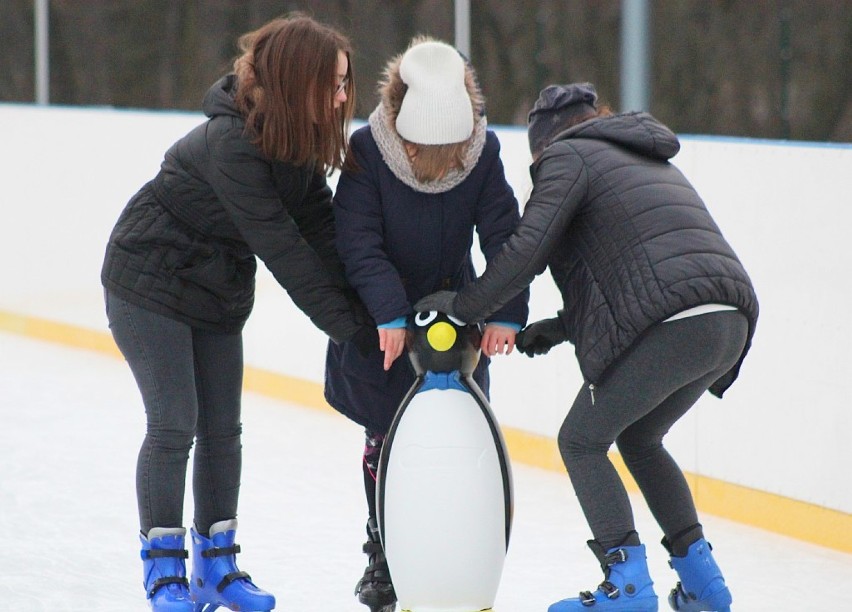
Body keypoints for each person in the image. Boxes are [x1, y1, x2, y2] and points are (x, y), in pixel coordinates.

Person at [416, 83, 759, 612]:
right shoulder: (640, 154)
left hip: (673, 324)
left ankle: (627, 587)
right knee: (641, 440)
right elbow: (639, 275)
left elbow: (527, 249)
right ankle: (703, 584)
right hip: (727, 321)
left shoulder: (567, 156)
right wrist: (556, 328)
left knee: (580, 441)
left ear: (541, 144)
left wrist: (464, 307)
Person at [101, 15, 378, 612]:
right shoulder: (231, 144)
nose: (339, 97)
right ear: (293, 77)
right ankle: (165, 573)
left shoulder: (295, 141)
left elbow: (321, 231)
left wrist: (376, 308)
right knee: (176, 423)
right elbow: (284, 249)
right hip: (147, 278)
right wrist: (355, 333)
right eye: (330, 83)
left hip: (216, 290)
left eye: (343, 84)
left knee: (223, 430)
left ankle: (217, 570)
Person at [323, 37, 529, 612]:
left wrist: (506, 311)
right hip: (380, 318)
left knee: (457, 434)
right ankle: (384, 554)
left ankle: (462, 548)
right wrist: (388, 312)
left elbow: (506, 237)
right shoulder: (367, 150)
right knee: (385, 438)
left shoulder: (482, 154)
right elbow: (357, 241)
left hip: (454, 320)